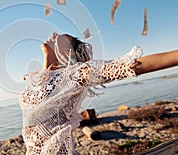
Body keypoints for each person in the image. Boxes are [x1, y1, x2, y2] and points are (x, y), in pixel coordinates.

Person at [19, 31, 178, 155]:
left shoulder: (73, 75)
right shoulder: (38, 78)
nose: (53, 35)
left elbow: (131, 66)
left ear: (69, 53)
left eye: (61, 37)